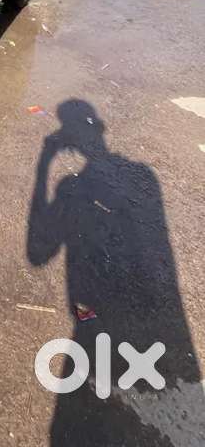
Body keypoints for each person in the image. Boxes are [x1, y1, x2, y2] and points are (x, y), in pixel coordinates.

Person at [27, 99, 204, 445]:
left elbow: (37, 254)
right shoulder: (144, 178)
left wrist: (44, 163)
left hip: (96, 312)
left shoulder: (72, 187)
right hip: (133, 312)